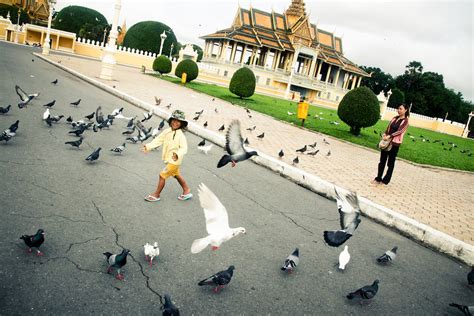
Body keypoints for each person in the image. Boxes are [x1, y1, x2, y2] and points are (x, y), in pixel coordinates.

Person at [142, 110, 192, 202]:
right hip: (169, 159)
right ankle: (187, 190)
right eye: (173, 120)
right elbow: (158, 140)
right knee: (176, 175)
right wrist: (148, 146)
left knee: (162, 175)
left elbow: (184, 148)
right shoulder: (167, 131)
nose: (175, 123)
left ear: (181, 124)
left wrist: (177, 154)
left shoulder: (181, 136)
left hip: (175, 161)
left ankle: (156, 195)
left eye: (178, 121)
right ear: (170, 121)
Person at [373, 104, 410, 185]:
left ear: (406, 110)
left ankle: (386, 180)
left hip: (394, 144)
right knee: (382, 161)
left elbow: (400, 131)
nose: (398, 110)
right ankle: (378, 178)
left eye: (401, 109)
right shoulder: (394, 118)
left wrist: (390, 136)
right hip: (386, 142)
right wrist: (385, 134)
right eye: (398, 108)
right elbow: (388, 128)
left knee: (390, 163)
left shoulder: (405, 121)